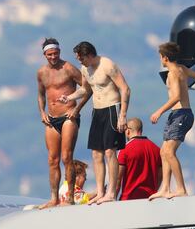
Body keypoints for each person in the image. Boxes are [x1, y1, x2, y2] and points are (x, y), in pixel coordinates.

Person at [58, 41, 130, 204]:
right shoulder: (85, 69)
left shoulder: (107, 65)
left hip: (112, 108)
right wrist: (69, 97)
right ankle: (100, 191)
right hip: (97, 111)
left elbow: (125, 89)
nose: (80, 62)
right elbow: (86, 89)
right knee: (96, 153)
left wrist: (123, 115)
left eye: (81, 58)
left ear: (89, 55)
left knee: (110, 151)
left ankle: (111, 192)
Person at [36, 38, 91, 209]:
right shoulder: (41, 73)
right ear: (45, 54)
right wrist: (42, 112)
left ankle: (70, 199)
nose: (53, 57)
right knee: (52, 159)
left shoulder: (68, 68)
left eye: (56, 53)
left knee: (67, 157)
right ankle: (54, 198)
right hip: (51, 119)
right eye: (50, 54)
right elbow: (40, 95)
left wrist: (77, 108)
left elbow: (88, 88)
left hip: (68, 117)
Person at [149, 42, 195, 199]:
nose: (160, 59)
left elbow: (176, 97)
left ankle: (181, 188)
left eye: (160, 57)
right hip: (178, 114)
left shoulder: (173, 73)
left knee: (169, 151)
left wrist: (158, 112)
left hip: (181, 114)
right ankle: (165, 188)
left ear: (165, 58)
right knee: (163, 151)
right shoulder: (181, 68)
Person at [116, 117, 162, 200]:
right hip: (150, 200)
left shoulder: (124, 150)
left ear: (128, 131)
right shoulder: (157, 149)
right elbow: (160, 176)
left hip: (129, 199)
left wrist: (113, 199)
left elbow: (118, 178)